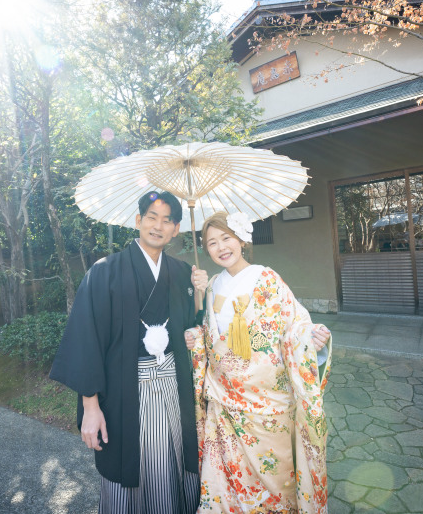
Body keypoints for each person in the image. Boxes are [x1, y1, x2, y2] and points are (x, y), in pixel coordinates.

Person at [49, 191, 204, 514]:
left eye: (167, 221)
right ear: (138, 221)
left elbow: (194, 331)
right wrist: (90, 407)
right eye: (151, 217)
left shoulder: (181, 273)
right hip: (124, 393)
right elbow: (85, 341)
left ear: (176, 229)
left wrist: (199, 295)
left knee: (175, 463)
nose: (158, 226)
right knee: (127, 470)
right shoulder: (104, 272)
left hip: (175, 390)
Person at [184, 211, 332, 514]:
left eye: (226, 238)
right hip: (224, 402)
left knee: (274, 482)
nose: (221, 247)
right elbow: (212, 337)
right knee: (225, 480)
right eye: (211, 242)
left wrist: (309, 337)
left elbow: (293, 325)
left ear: (241, 239)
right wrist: (196, 336)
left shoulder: (267, 278)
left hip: (266, 404)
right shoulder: (212, 286)